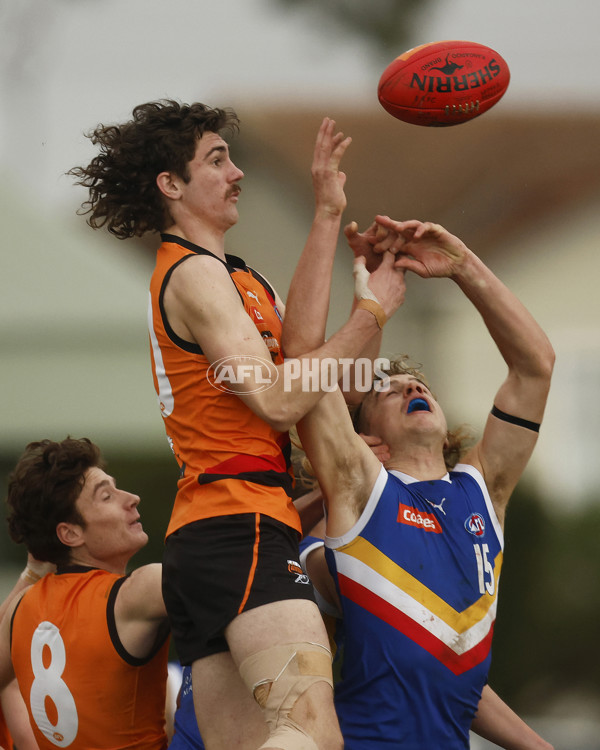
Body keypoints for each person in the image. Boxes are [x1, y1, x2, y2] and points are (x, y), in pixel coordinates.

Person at [69, 100, 407, 750]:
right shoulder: (193, 273)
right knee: (313, 733)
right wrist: (373, 313)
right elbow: (281, 402)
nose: (238, 172)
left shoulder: (234, 275)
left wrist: (328, 214)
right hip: (240, 525)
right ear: (171, 184)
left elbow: (304, 359)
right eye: (217, 160)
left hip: (214, 535)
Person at [283, 217, 555, 748]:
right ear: (363, 437)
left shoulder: (482, 490)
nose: (409, 383)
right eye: (389, 390)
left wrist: (462, 267)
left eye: (419, 383)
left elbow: (535, 367)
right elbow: (305, 358)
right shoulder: (362, 491)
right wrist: (368, 299)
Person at [0, 437, 171, 750]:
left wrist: (32, 572)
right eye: (107, 496)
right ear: (70, 533)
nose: (131, 498)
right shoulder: (137, 591)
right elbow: (241, 581)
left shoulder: (19, 609)